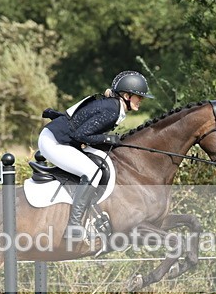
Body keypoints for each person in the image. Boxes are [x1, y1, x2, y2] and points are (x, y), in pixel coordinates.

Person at [38, 70, 154, 237]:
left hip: (63, 139)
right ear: (127, 96)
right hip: (54, 142)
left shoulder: (113, 106)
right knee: (93, 172)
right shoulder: (112, 110)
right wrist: (109, 139)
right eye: (139, 96)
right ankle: (74, 226)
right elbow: (81, 135)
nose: (141, 100)